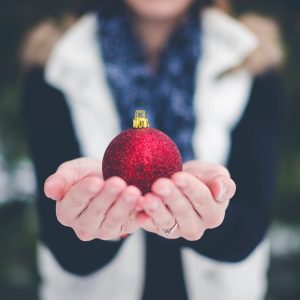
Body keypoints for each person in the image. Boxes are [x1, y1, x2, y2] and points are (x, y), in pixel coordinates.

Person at [22, 0, 283, 299]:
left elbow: (251, 222)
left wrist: (209, 216)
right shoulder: (55, 62)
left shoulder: (251, 59)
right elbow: (65, 246)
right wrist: (95, 222)